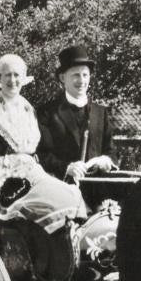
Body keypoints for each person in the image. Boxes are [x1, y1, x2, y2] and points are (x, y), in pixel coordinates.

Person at [0, 53, 86, 233]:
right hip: (2, 180)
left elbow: (38, 151)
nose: (12, 80)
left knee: (69, 195)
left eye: (17, 75)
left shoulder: (29, 110)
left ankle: (62, 242)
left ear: (23, 79)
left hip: (31, 173)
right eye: (7, 75)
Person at [36, 45, 116, 183]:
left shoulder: (100, 112)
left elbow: (111, 150)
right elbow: (42, 154)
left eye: (85, 75)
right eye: (76, 75)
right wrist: (66, 168)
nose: (82, 81)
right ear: (63, 78)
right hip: (61, 186)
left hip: (97, 188)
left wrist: (107, 160)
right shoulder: (47, 112)